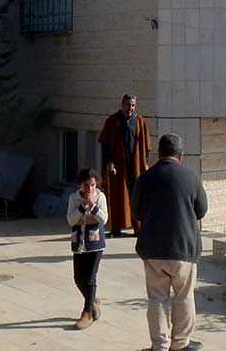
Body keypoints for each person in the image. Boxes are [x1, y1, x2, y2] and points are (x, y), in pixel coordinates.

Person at [132, 133, 208, 351]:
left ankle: (160, 346)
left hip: (153, 249)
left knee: (157, 298)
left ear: (159, 154)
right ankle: (181, 344)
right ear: (181, 155)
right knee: (184, 296)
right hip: (184, 248)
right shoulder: (191, 177)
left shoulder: (145, 178)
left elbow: (136, 212)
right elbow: (202, 210)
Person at [98, 94, 152, 237]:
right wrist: (109, 161)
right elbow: (104, 144)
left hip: (136, 165)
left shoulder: (140, 121)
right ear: (122, 104)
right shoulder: (112, 121)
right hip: (118, 165)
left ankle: (138, 228)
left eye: (133, 105)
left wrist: (146, 162)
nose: (130, 108)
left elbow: (147, 145)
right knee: (117, 196)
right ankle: (116, 229)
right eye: (128, 105)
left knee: (137, 196)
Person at [67, 167, 108, 330]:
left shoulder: (100, 197)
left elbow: (104, 219)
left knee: (90, 278)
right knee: (78, 278)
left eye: (92, 185)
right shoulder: (74, 198)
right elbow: (70, 220)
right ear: (80, 186)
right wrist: (83, 206)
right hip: (79, 242)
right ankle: (93, 301)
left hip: (95, 243)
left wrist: (93, 206)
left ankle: (87, 312)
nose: (90, 189)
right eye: (86, 185)